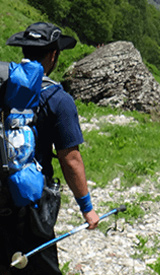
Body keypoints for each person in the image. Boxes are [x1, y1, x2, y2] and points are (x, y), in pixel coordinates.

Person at [0, 22, 100, 274]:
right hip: (30, 199)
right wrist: (87, 209)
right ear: (54, 54)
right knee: (41, 266)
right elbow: (71, 159)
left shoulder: (3, 86)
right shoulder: (59, 99)